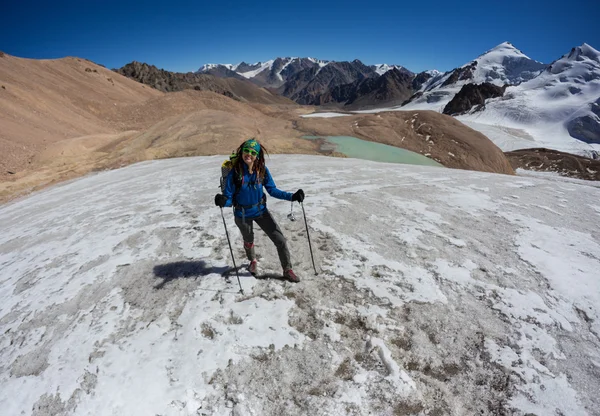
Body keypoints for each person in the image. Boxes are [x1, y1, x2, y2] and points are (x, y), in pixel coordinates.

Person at [214, 138, 305, 282]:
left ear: (257, 155)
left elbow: (272, 190)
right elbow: (229, 198)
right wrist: (223, 201)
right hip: (242, 214)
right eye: (246, 151)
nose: (248, 155)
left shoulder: (261, 170)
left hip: (261, 212)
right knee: (248, 240)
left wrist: (292, 197)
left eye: (252, 152)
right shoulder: (235, 173)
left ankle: (287, 270)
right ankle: (253, 261)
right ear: (241, 152)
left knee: (280, 240)